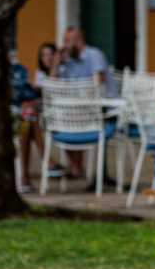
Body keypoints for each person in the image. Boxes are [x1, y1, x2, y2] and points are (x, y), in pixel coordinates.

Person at [48, 28, 119, 182]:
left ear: (78, 41)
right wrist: (56, 63)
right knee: (55, 121)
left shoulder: (94, 54)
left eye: (67, 41)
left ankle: (77, 167)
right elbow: (52, 87)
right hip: (79, 111)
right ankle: (76, 166)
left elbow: (97, 84)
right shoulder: (69, 63)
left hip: (103, 111)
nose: (64, 46)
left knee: (68, 118)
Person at [9, 54, 43, 193]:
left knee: (28, 117)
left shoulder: (18, 70)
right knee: (29, 116)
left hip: (18, 114)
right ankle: (46, 161)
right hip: (3, 119)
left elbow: (28, 94)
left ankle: (24, 177)